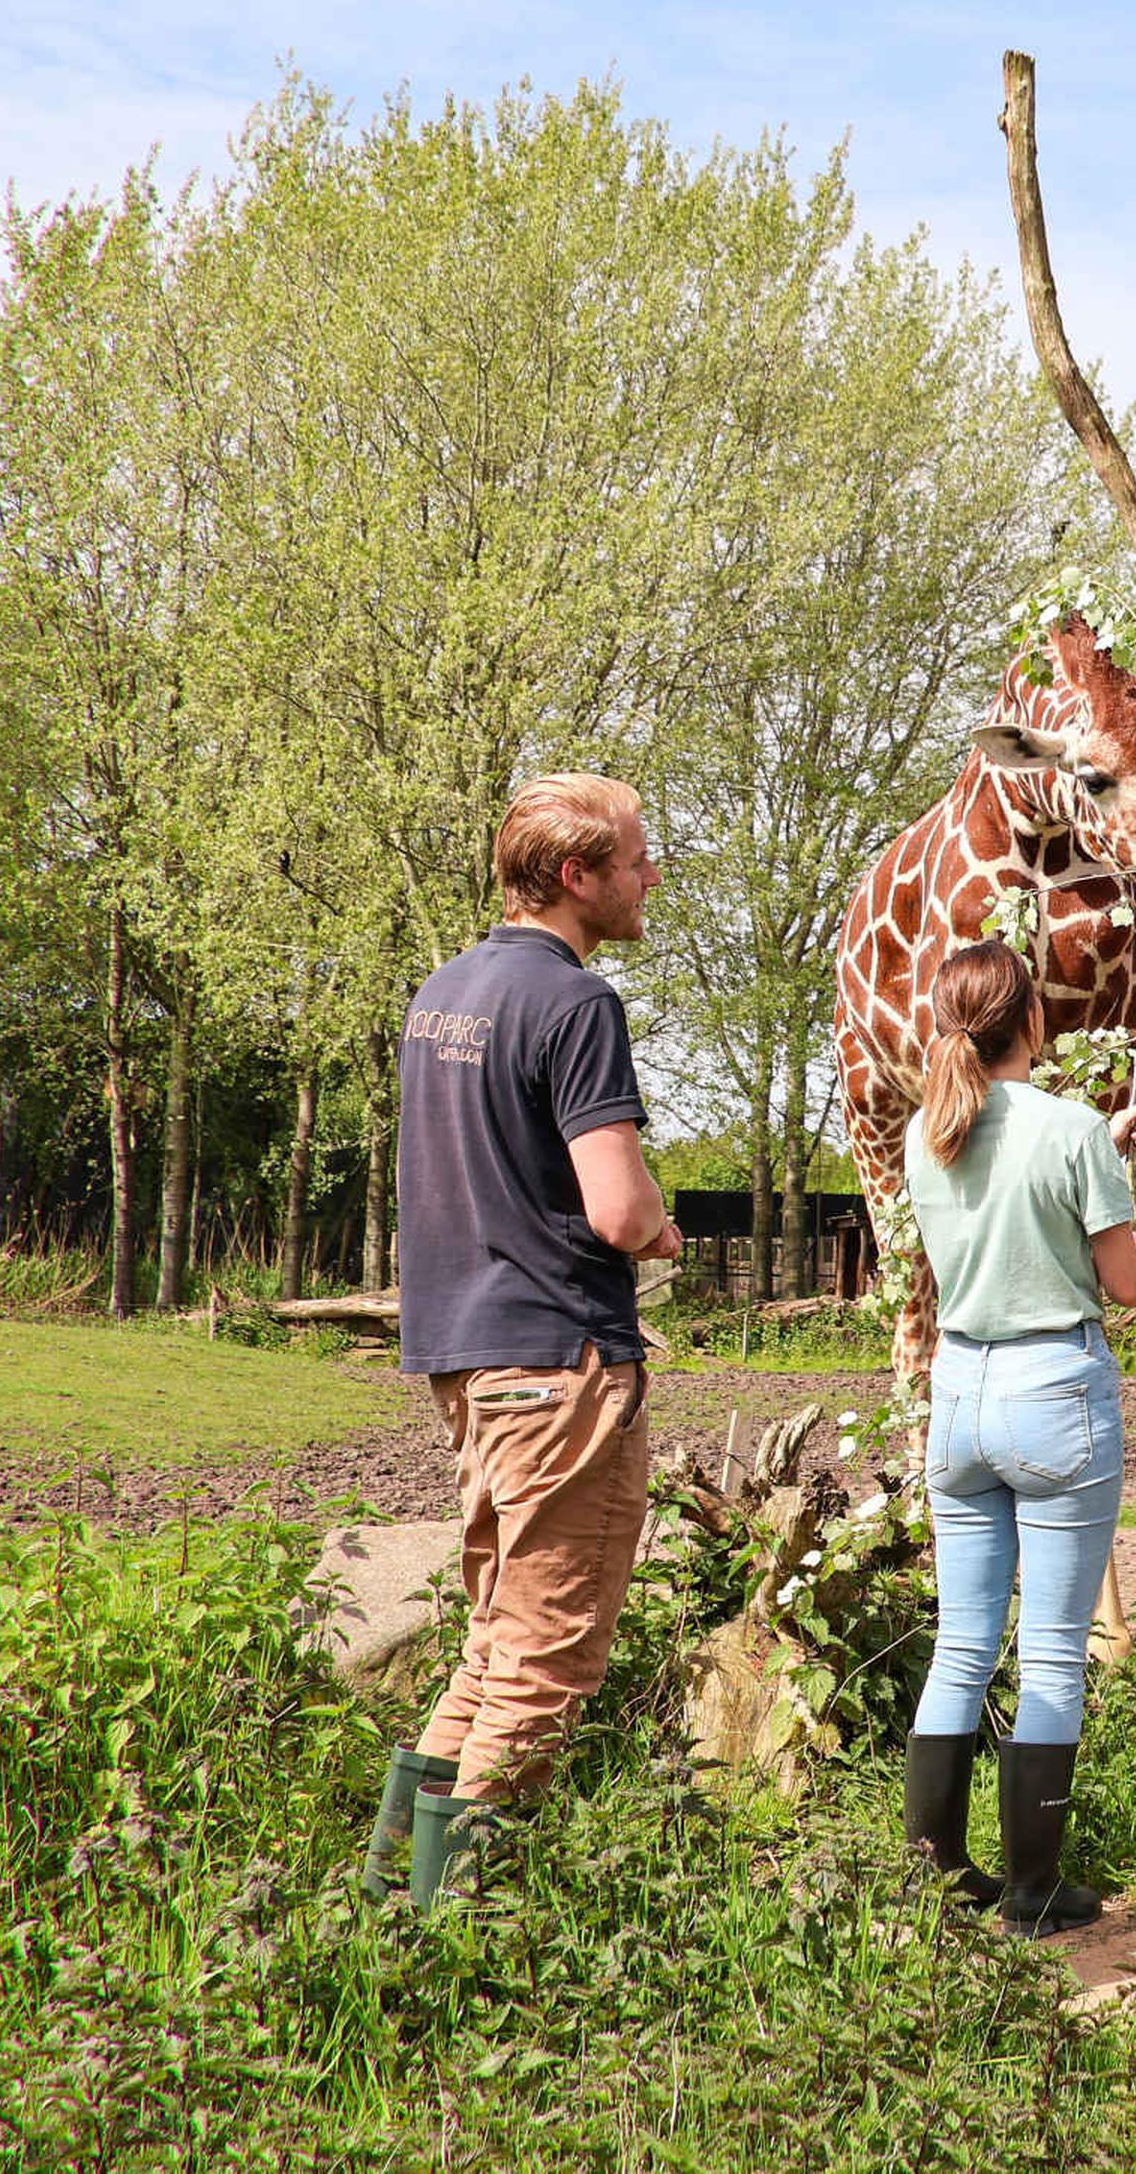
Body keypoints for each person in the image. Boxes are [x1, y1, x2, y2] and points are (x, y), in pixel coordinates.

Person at [367, 773, 683, 1907]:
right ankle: (463, 1934)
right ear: (575, 876)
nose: (652, 877)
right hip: (560, 1362)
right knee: (545, 1661)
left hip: (463, 1355)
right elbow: (619, 1210)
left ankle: (393, 1902)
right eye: (636, 859)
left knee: (494, 1644)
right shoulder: (576, 1003)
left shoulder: (442, 992)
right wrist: (661, 1228)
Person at [894, 939, 1136, 1938]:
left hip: (959, 1392)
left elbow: (1008, 1194)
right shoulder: (1072, 1131)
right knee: (1053, 1652)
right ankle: (1034, 1889)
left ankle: (934, 1875)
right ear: (1033, 1020)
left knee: (962, 1643)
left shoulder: (929, 1132)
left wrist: (1102, 1139)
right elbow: (1124, 1280)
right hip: (1054, 1392)